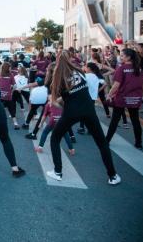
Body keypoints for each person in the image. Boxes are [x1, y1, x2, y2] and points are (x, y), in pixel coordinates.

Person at [46, 51, 120, 185]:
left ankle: (57, 172)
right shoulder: (80, 71)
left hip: (71, 112)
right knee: (101, 143)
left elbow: (58, 101)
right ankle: (113, 175)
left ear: (57, 61)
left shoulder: (58, 76)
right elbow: (78, 91)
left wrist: (56, 102)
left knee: (55, 138)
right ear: (70, 60)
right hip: (88, 110)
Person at [105, 48, 143, 149]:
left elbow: (116, 85)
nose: (120, 57)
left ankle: (107, 141)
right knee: (135, 121)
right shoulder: (139, 69)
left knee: (115, 120)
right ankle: (138, 143)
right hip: (135, 99)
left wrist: (109, 94)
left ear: (128, 57)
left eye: (122, 56)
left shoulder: (122, 68)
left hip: (122, 99)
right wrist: (142, 96)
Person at [0, 63, 20, 129]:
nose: (10, 68)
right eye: (9, 67)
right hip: (8, 96)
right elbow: (15, 85)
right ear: (7, 68)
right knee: (11, 110)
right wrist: (12, 89)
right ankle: (15, 124)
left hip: (0, 96)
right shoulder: (11, 75)